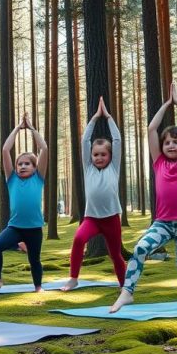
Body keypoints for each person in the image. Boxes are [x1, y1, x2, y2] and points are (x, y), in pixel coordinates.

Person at [111, 84, 177, 313]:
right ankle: (127, 293)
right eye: (167, 142)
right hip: (163, 223)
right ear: (162, 147)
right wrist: (165, 104)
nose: (171, 145)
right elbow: (151, 128)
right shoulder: (159, 163)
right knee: (141, 248)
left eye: (176, 142)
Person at [60, 97, 128, 292]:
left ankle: (124, 285)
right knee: (79, 239)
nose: (99, 157)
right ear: (90, 156)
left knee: (115, 254)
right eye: (95, 154)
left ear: (110, 156)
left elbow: (117, 140)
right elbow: (84, 141)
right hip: (92, 219)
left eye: (103, 154)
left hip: (112, 219)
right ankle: (73, 278)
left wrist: (107, 117)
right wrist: (94, 118)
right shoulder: (88, 168)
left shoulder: (114, 168)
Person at [0, 112, 48, 294]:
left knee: (34, 259)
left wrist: (32, 129)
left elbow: (43, 148)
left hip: (35, 228)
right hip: (15, 227)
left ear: (35, 167)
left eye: (27, 163)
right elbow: (5, 150)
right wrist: (17, 129)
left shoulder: (39, 178)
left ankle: (38, 287)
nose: (22, 166)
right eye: (19, 163)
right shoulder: (11, 179)